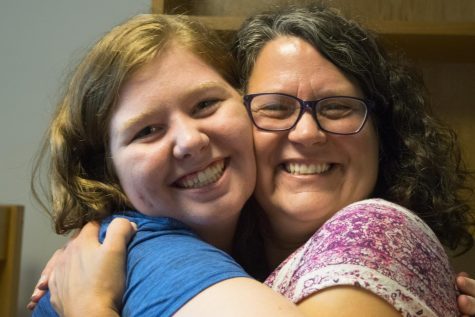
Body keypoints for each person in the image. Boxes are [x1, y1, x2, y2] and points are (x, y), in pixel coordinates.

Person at [30, 2, 475, 317]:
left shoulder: (375, 232)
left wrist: (90, 307)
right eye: (276, 108)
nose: (306, 132)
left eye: (338, 108)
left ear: (387, 134)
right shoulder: (140, 253)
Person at [30, 13, 305, 317]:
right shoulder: (153, 258)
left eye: (205, 104)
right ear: (106, 171)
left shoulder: (254, 240)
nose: (190, 141)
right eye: (147, 131)